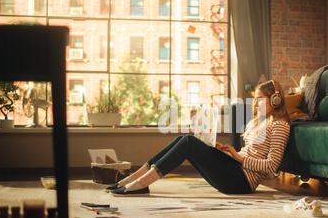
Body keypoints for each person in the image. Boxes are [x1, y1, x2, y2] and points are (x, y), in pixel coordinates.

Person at [107, 80, 291, 196]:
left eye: (261, 99)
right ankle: (133, 179)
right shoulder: (258, 123)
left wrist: (238, 157)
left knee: (188, 143)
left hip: (241, 181)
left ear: (275, 100)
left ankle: (140, 183)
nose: (256, 103)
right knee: (184, 138)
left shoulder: (280, 126)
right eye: (256, 99)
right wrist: (227, 152)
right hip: (235, 168)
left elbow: (271, 167)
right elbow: (249, 153)